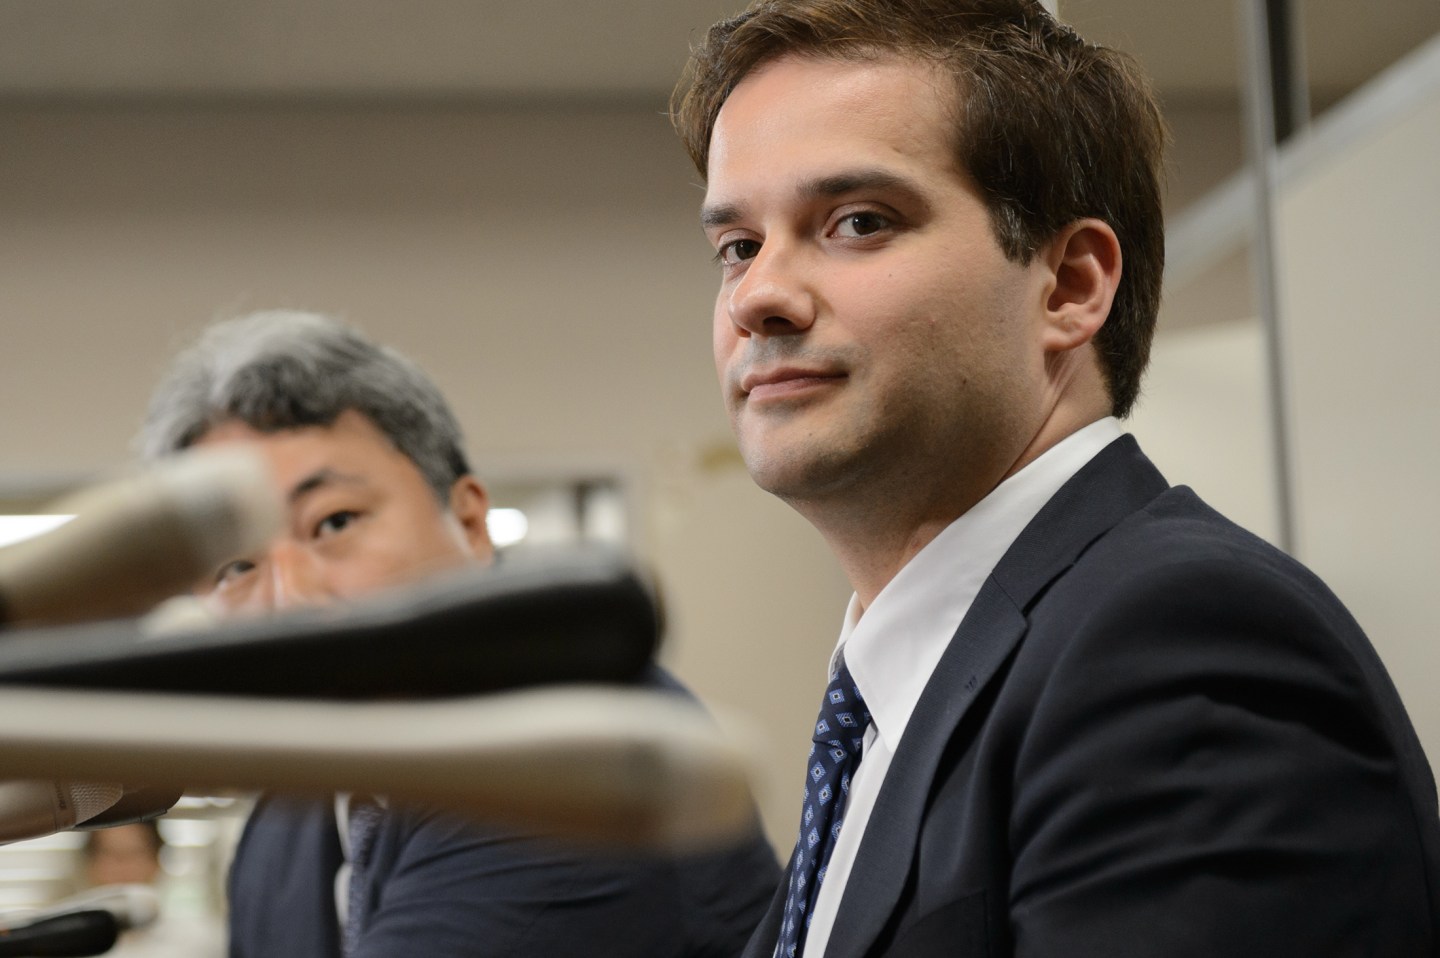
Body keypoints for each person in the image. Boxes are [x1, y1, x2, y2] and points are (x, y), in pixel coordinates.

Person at [671, 1, 1440, 955]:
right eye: (737, 246)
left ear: (1071, 285)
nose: (758, 296)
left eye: (858, 222)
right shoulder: (895, 706)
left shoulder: (1178, 644)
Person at [136, 310, 780, 958]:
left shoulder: (566, 766)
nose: (290, 600)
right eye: (237, 566)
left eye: (333, 523)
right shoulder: (283, 825)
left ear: (471, 523)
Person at [82, 822, 226, 957]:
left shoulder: (201, 944)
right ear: (91, 864)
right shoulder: (71, 946)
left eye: (134, 853)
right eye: (109, 854)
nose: (123, 868)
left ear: (156, 860)